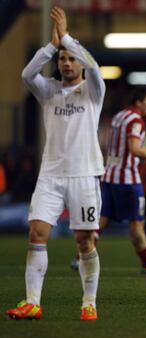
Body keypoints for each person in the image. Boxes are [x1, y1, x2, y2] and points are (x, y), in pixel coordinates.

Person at [7, 7, 104, 321]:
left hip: (84, 175)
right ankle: (32, 301)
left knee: (84, 240)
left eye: (70, 58)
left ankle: (89, 302)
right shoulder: (48, 91)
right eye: (62, 59)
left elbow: (94, 65)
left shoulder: (92, 91)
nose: (66, 62)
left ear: (79, 63)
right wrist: (52, 45)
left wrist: (67, 38)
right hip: (50, 175)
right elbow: (26, 75)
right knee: (36, 234)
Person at [100, 86, 146, 276]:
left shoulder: (120, 116)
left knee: (103, 219)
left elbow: (125, 146)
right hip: (127, 178)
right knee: (137, 223)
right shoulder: (136, 120)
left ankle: (81, 256)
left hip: (109, 174)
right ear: (139, 103)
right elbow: (133, 149)